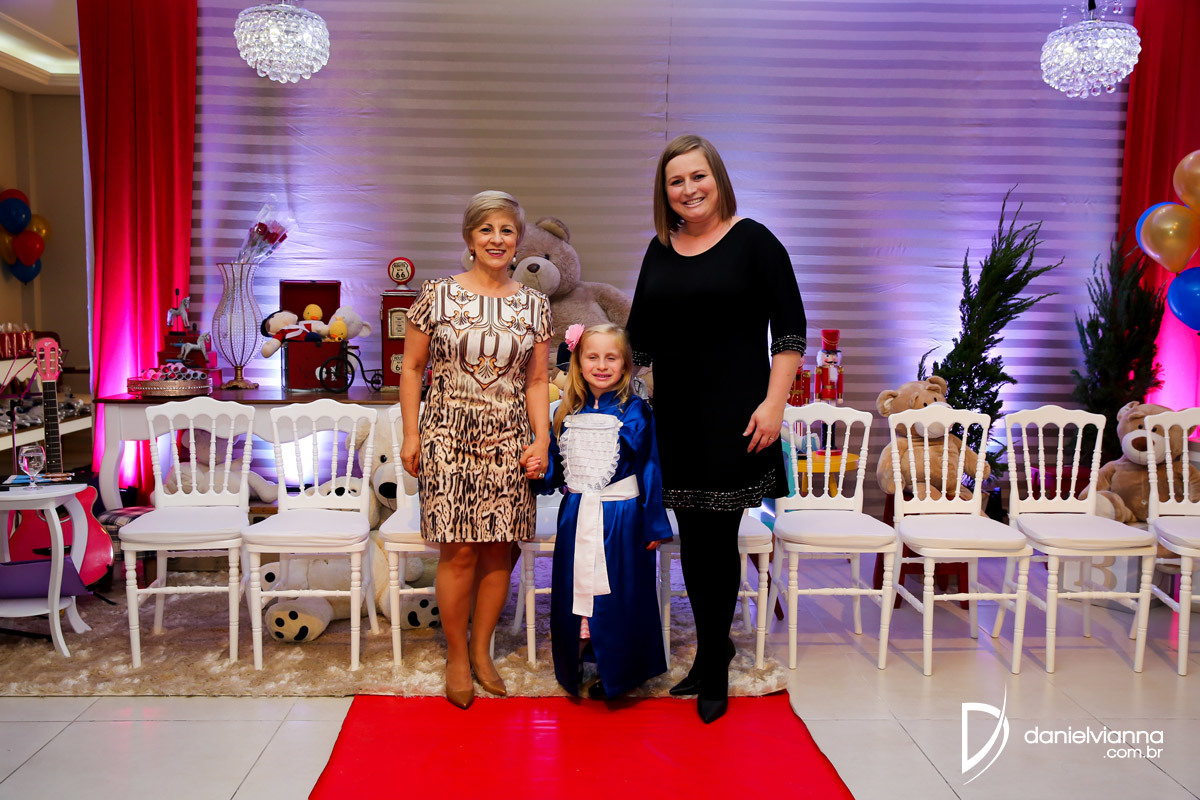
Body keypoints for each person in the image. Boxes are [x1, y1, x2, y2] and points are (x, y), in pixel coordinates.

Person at [626, 134, 806, 723]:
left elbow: (790, 332)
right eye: (676, 181)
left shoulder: (755, 241)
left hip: (737, 416)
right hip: (677, 417)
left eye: (697, 176)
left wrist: (774, 405)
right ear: (665, 192)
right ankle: (713, 649)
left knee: (718, 539)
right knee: (694, 538)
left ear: (718, 178)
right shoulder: (659, 249)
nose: (689, 189)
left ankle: (713, 662)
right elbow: (639, 337)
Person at [400, 190, 552, 710]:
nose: (496, 239)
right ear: (469, 237)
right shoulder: (436, 295)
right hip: (447, 435)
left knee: (497, 551)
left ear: (518, 240)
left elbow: (537, 381)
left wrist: (541, 439)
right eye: (486, 229)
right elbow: (412, 369)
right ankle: (456, 657)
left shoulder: (534, 304)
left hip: (509, 440)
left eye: (507, 230)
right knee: (458, 550)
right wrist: (412, 434)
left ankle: (482, 651)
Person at [526, 323, 673, 699]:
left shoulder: (636, 412)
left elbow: (651, 468)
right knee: (575, 587)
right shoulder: (564, 412)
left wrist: (653, 523)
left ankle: (622, 670)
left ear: (625, 365)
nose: (602, 365)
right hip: (576, 515)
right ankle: (576, 655)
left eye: (612, 358)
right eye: (593, 357)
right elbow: (558, 470)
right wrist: (539, 471)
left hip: (622, 519)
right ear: (578, 362)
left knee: (621, 593)